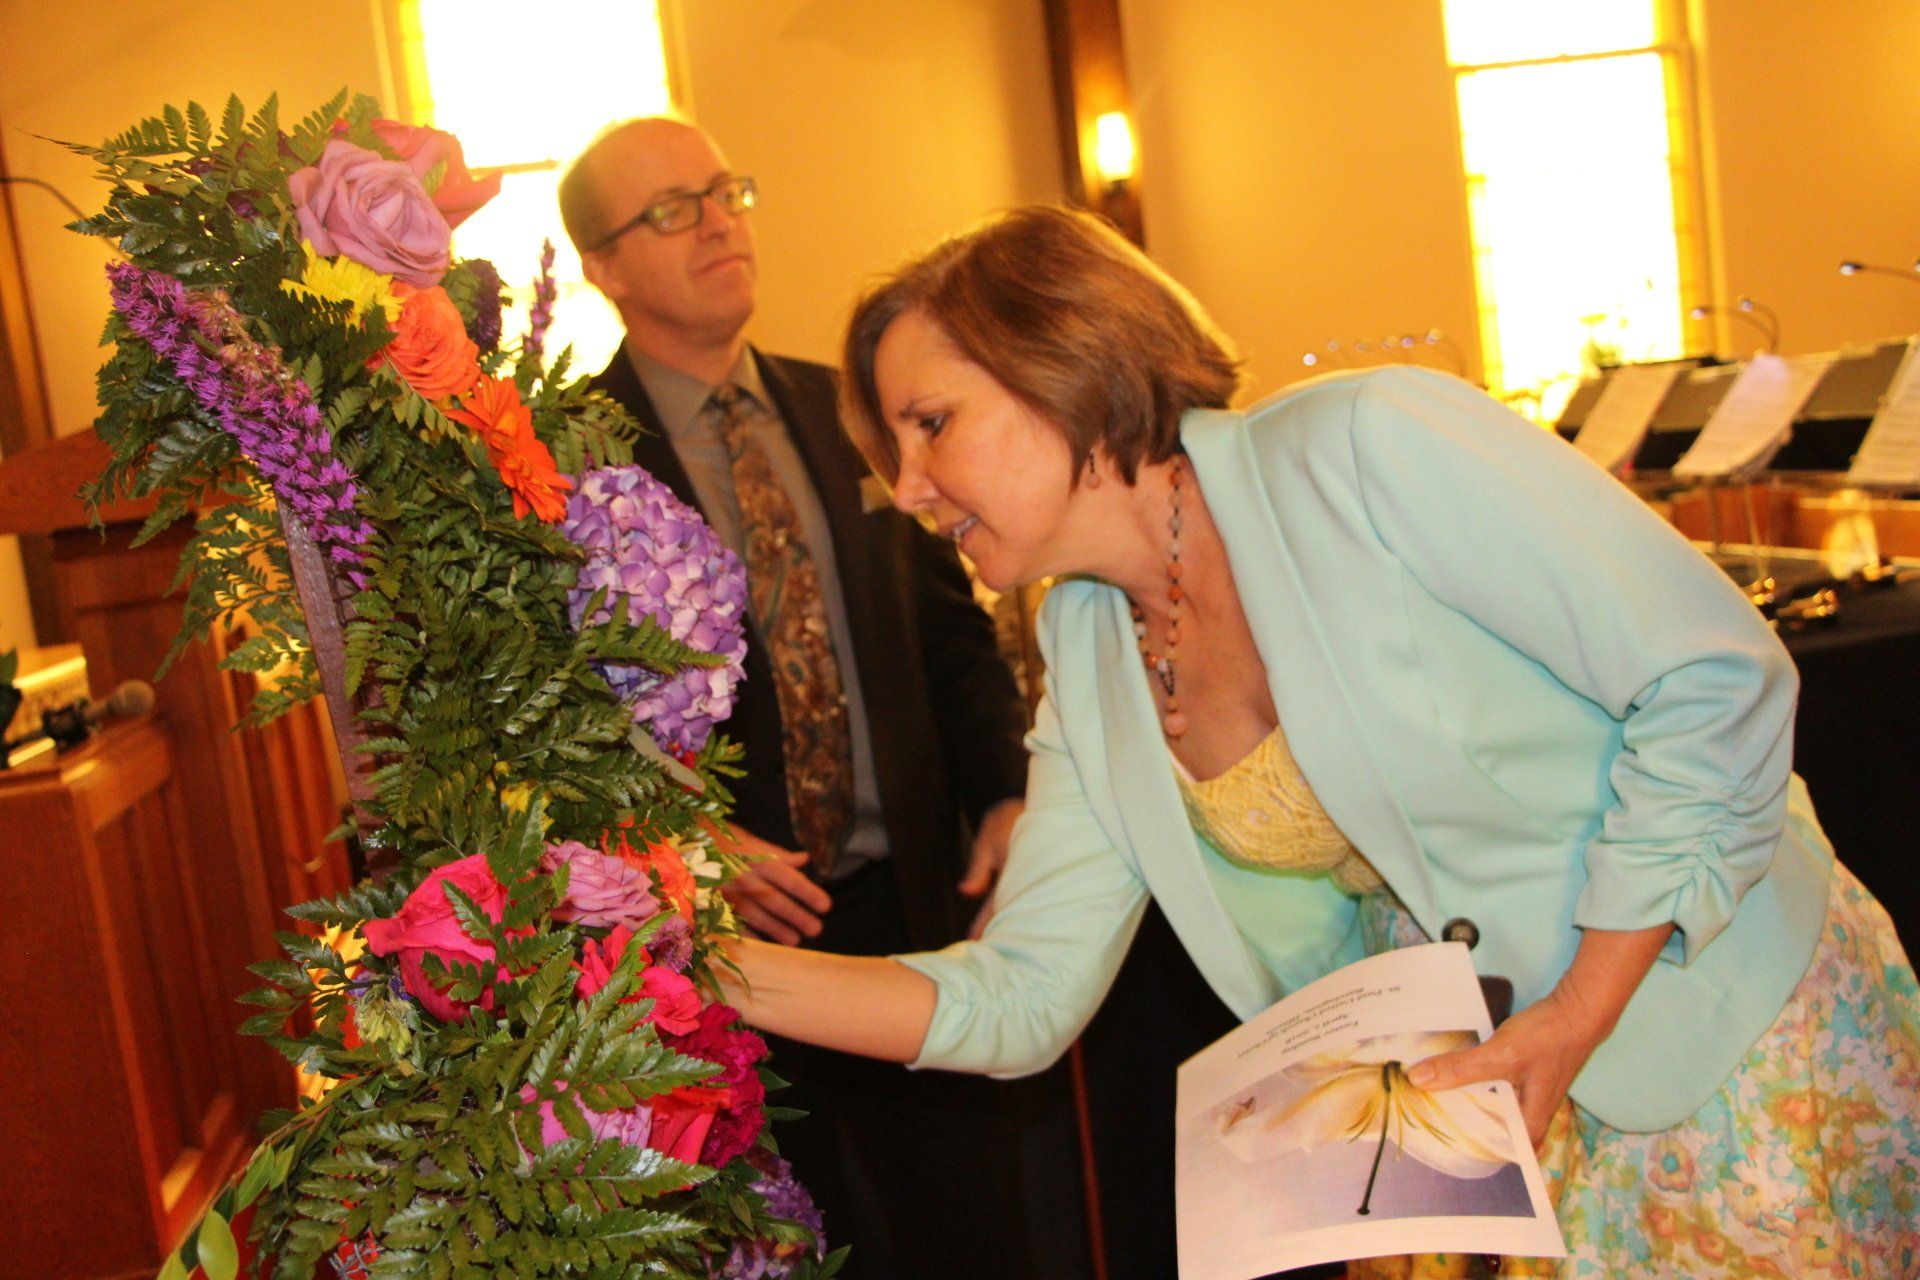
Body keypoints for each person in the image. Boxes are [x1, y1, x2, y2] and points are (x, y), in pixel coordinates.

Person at [721, 205, 1920, 1278]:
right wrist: (685, 963)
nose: (909, 485)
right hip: (1497, 1108)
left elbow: (1709, 674)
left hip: (1719, 1026)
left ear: (1063, 361)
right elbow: (1018, 997)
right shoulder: (1084, 645)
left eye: (931, 424)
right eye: (895, 449)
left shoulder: (1365, 444)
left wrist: (1575, 1012)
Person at [557, 122, 1090, 1278]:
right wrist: (677, 844)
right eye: (670, 209)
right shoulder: (565, 458)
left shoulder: (850, 404)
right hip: (729, 939)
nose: (716, 220)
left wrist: (1005, 787)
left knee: (974, 1235)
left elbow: (949, 628)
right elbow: (555, 720)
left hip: (917, 899)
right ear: (601, 263)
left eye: (723, 189)